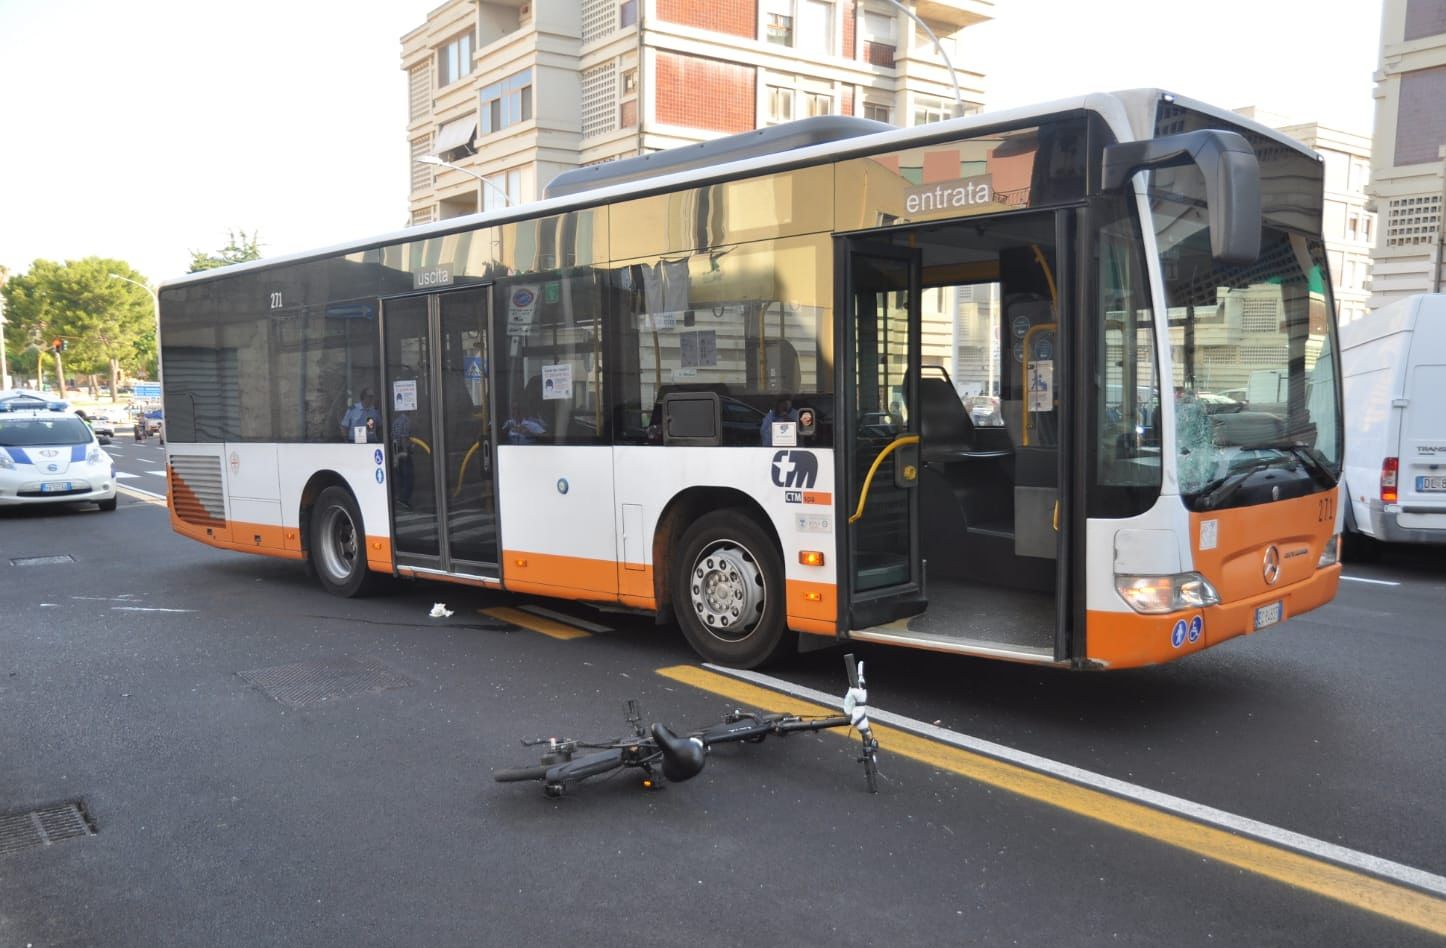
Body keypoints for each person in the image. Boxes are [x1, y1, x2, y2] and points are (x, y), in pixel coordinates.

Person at [390, 410, 413, 508]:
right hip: (402, 450)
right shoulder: (406, 421)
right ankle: (403, 499)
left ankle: (399, 497)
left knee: (400, 475)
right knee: (408, 476)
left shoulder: (396, 421)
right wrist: (406, 452)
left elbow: (392, 435)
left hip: (395, 449)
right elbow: (404, 438)